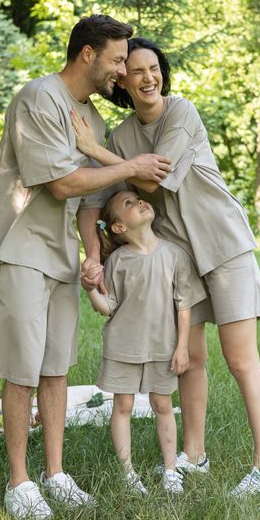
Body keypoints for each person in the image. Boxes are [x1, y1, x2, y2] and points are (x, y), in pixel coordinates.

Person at [0, 19, 173, 520]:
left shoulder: (93, 119)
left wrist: (91, 253)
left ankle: (55, 473)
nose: (122, 71)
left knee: (56, 367)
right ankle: (19, 482)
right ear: (87, 54)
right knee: (21, 368)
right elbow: (63, 185)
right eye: (116, 60)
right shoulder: (37, 99)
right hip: (20, 248)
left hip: (63, 256)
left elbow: (90, 201)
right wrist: (131, 167)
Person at [71, 37, 260, 496]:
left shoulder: (180, 112)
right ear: (122, 81)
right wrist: (93, 252)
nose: (148, 77)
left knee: (242, 360)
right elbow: (96, 199)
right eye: (136, 71)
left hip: (222, 246)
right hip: (179, 256)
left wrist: (98, 150)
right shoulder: (123, 135)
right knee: (191, 360)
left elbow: (153, 176)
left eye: (154, 68)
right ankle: (193, 455)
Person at [84, 190, 206, 494]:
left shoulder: (174, 254)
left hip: (162, 347)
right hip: (123, 346)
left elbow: (184, 304)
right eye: (128, 203)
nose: (139, 202)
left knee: (163, 404)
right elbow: (109, 306)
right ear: (119, 228)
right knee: (122, 405)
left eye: (138, 199)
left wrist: (181, 347)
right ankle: (128, 473)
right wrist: (89, 289)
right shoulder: (118, 261)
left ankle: (170, 469)